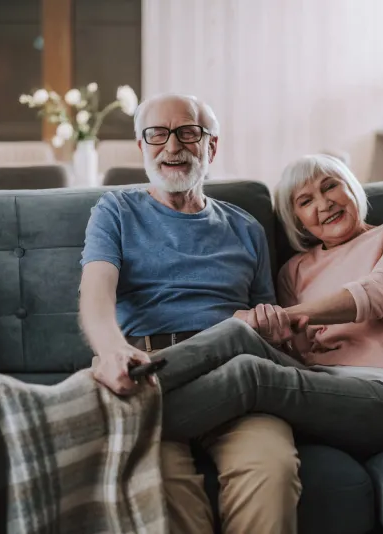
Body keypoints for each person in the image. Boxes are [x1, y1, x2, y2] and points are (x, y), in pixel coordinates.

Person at [78, 93, 301, 534]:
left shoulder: (247, 228)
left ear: (211, 147)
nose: (172, 146)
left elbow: (264, 316)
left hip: (236, 373)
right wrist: (111, 351)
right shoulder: (115, 211)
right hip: (152, 373)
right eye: (157, 134)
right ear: (142, 146)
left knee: (272, 471)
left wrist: (275, 329)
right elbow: (96, 293)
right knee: (157, 488)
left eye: (188, 133)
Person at [143, 154, 383, 461]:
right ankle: (125, 386)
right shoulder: (295, 271)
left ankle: (123, 428)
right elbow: (298, 354)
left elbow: (382, 292)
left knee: (249, 374)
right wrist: (266, 326)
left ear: (351, 187)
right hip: (325, 386)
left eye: (329, 186)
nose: (324, 204)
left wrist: (291, 316)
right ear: (299, 222)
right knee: (238, 333)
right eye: (305, 201)